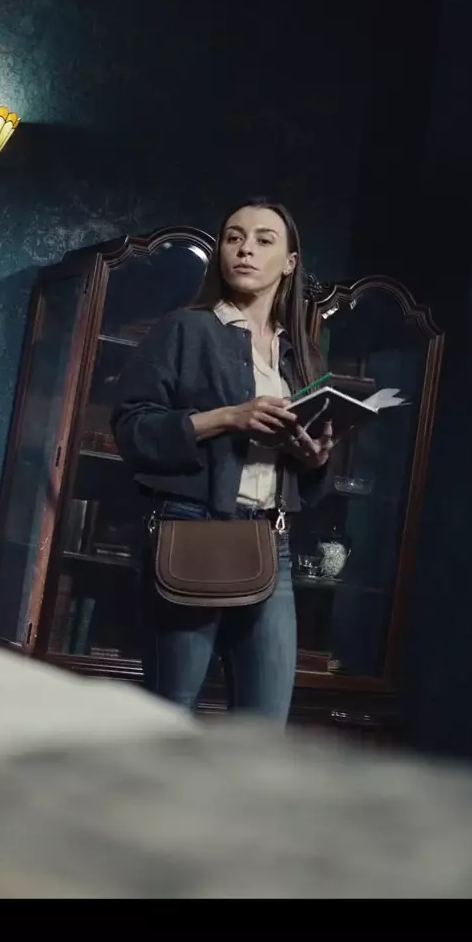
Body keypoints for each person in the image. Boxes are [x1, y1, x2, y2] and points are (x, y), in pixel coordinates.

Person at [111, 199, 333, 722]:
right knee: (168, 718)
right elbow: (132, 429)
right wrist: (229, 417)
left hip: (271, 540)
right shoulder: (184, 329)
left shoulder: (303, 353)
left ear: (290, 262)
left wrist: (313, 458)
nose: (245, 249)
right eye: (234, 237)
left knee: (263, 726)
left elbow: (308, 478)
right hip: (193, 530)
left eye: (263, 240)